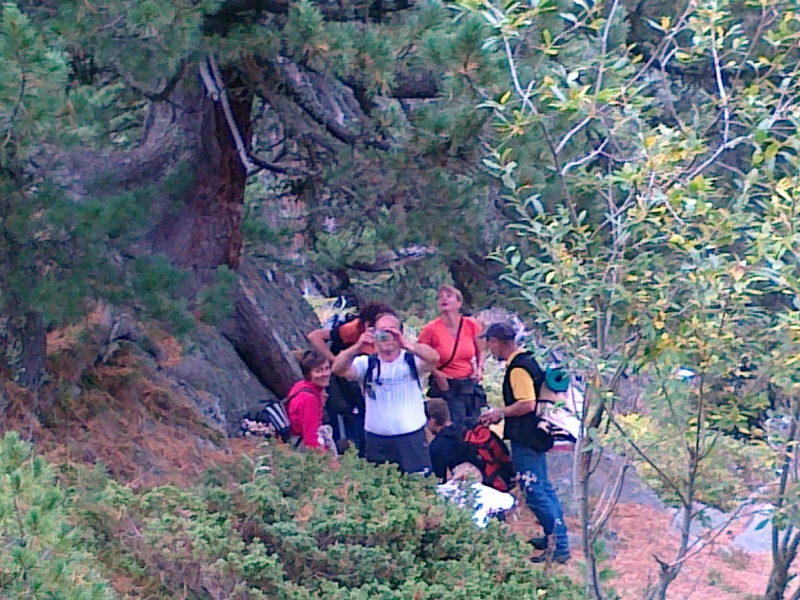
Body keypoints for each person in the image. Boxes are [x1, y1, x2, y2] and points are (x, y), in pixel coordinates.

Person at [479, 322, 571, 564]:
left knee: (534, 490)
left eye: (489, 343)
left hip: (526, 436)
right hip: (535, 434)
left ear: (496, 342)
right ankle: (555, 537)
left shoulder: (518, 368)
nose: (489, 349)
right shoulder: (527, 360)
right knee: (543, 487)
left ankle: (558, 546)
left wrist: (500, 413)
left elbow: (527, 403)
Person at [332, 313, 439, 474]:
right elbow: (338, 369)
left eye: (392, 330)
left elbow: (433, 358)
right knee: (380, 485)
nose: (387, 336)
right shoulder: (367, 363)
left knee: (419, 484)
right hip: (377, 442)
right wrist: (358, 345)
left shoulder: (411, 361)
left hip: (411, 440)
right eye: (382, 331)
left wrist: (405, 344)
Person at [307, 302, 394, 450]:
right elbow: (315, 336)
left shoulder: (387, 336)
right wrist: (334, 360)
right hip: (345, 383)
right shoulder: (353, 329)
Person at [418, 286, 485, 426]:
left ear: (459, 303)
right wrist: (436, 373)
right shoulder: (430, 329)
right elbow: (420, 356)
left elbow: (481, 350)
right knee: (452, 425)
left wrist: (479, 369)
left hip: (467, 384)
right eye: (440, 297)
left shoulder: (471, 325)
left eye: (449, 296)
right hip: (445, 385)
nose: (444, 299)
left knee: (472, 425)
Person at [286, 349, 334, 452]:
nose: (325, 374)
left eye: (327, 368)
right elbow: (311, 440)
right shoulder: (308, 399)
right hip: (300, 447)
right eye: (318, 371)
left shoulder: (301, 386)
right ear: (308, 374)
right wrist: (327, 459)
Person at [425, 398, 481, 482]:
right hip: (484, 476)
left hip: (467, 482)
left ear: (432, 420)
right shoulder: (464, 428)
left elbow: (437, 479)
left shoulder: (437, 446)